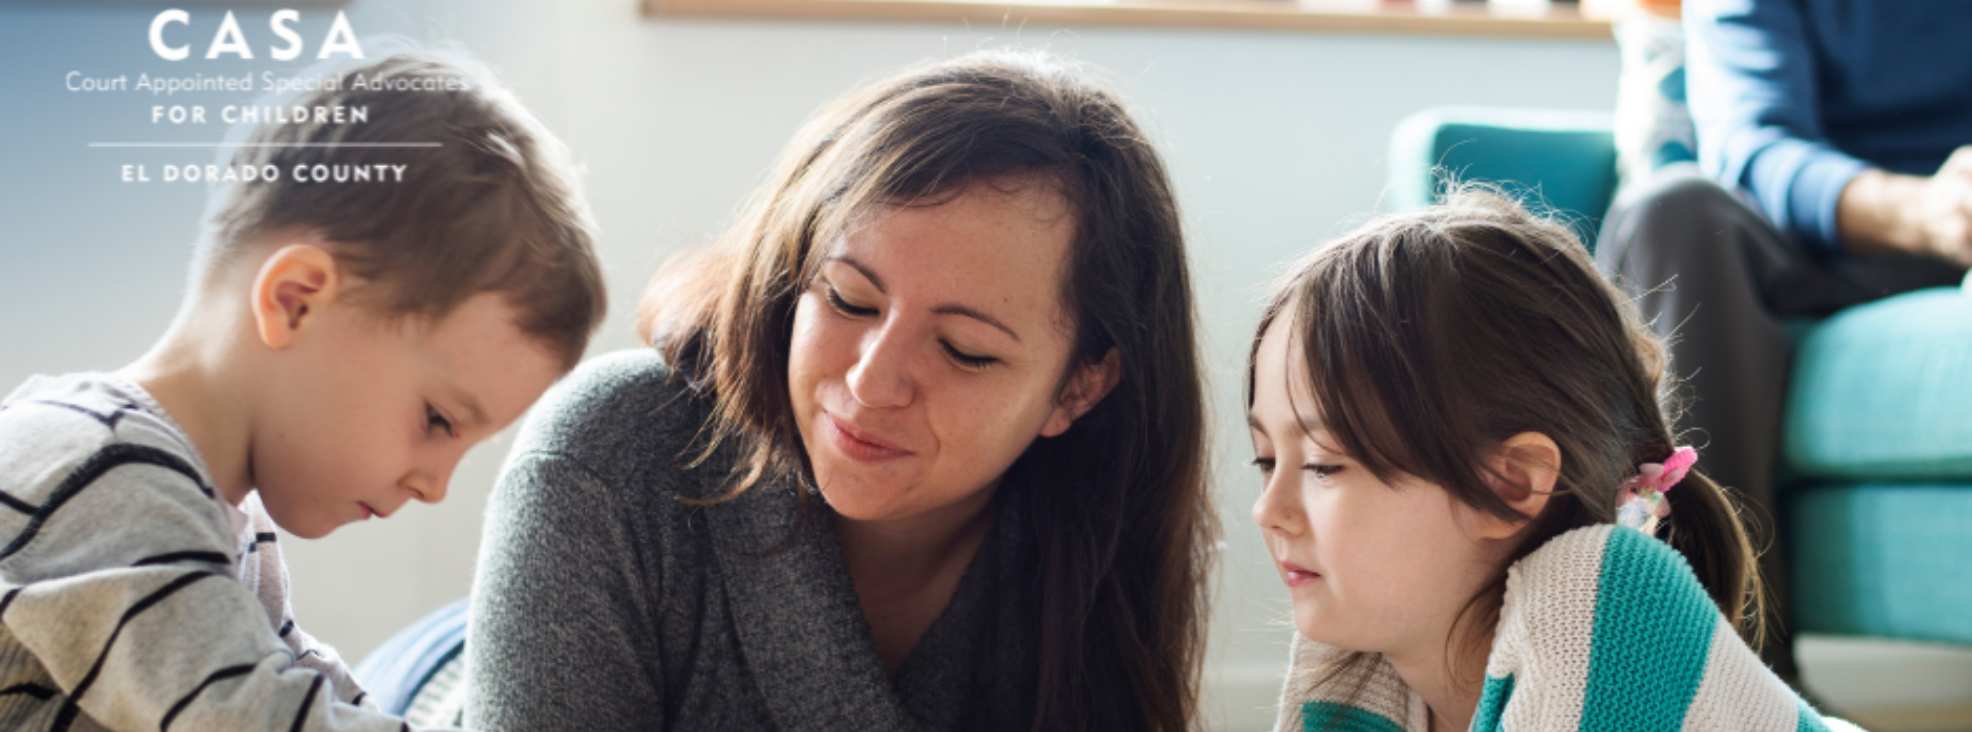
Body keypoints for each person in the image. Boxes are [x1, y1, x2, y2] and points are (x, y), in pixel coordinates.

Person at [467, 50, 1217, 731]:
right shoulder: (603, 457)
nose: (870, 382)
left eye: (964, 351)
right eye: (848, 300)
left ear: (1079, 391)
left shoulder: (1099, 547)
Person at [0, 52, 606, 730]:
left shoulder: (222, 518)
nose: (435, 487)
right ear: (295, 301)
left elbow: (319, 695)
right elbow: (253, 716)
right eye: (438, 420)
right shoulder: (91, 465)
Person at [1252, 190, 1855, 731]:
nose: (1268, 511)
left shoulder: (1599, 604)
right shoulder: (1352, 651)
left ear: (1509, 482)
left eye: (1322, 465)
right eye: (1265, 459)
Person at [1595, 1, 1972, 681]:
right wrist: (1925, 211)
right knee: (1673, 212)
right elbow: (1755, 145)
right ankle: (1717, 679)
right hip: (1817, 241)